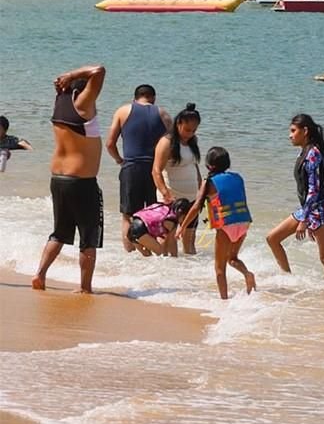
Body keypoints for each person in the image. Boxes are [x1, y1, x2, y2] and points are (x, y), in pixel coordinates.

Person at [32, 65, 107, 293]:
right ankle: (85, 288)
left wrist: (64, 82)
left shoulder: (60, 104)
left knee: (60, 232)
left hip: (59, 180)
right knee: (88, 237)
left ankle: (40, 275)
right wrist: (73, 75)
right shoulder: (83, 106)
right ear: (83, 92)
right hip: (82, 183)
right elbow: (99, 71)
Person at [265, 114, 324, 280]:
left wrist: (305, 220)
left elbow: (314, 189)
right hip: (308, 208)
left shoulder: (313, 153)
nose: (289, 135)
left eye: (293, 131)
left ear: (304, 131)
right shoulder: (305, 152)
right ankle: (288, 278)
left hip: (318, 209)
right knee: (272, 239)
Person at [178, 147, 256, 299]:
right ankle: (247, 274)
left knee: (219, 268)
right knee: (232, 259)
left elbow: (196, 207)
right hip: (244, 222)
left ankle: (224, 301)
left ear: (208, 165)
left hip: (226, 226)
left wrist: (183, 226)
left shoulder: (209, 182)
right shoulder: (238, 177)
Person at [106, 85, 171, 252]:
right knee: (155, 216)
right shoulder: (163, 114)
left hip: (131, 168)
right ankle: (155, 254)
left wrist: (120, 160)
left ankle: (130, 257)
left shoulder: (123, 111)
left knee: (128, 215)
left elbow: (110, 144)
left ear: (134, 98)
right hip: (154, 170)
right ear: (154, 98)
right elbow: (173, 146)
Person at [152, 104, 202, 254]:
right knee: (167, 238)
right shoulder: (167, 142)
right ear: (178, 123)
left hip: (192, 199)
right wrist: (165, 193)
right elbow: (156, 171)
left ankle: (187, 272)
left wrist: (201, 189)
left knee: (190, 240)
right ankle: (160, 270)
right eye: (187, 130)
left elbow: (195, 166)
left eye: (194, 130)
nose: (190, 133)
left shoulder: (193, 142)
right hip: (171, 199)